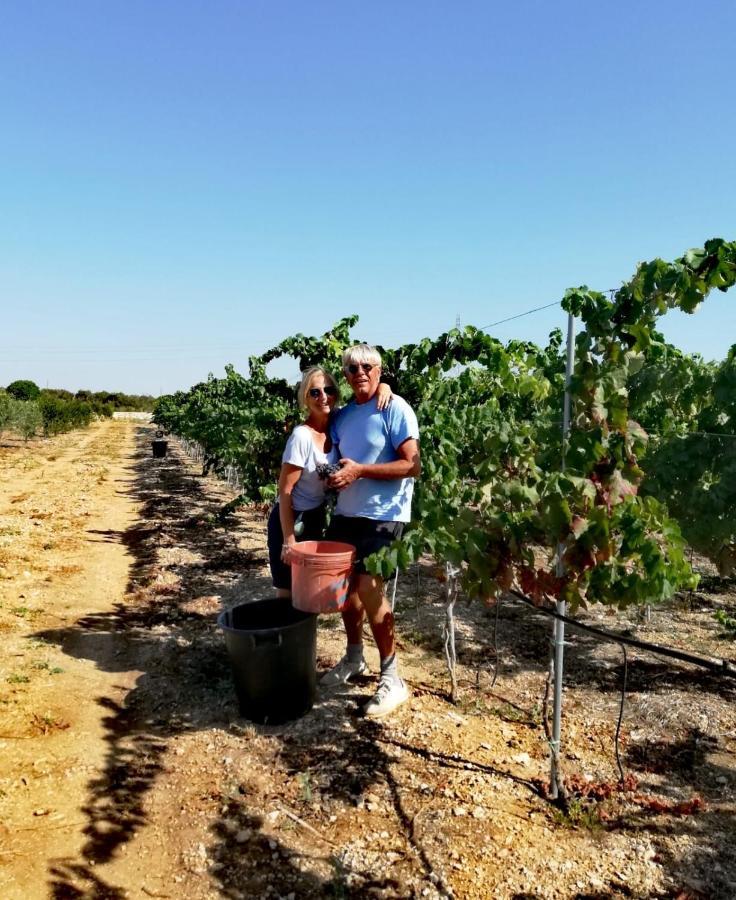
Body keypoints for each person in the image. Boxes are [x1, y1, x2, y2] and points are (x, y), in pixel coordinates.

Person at [322, 344, 420, 718]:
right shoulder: (343, 415)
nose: (359, 372)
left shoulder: (395, 408)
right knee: (345, 592)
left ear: (380, 371)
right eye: (351, 368)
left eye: (367, 366)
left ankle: (392, 677)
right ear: (345, 376)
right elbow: (336, 458)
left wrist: (361, 470)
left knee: (370, 589)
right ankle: (353, 657)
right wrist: (334, 478)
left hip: (384, 514)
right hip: (347, 512)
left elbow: (412, 465)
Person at [267, 366, 391, 598]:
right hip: (291, 519)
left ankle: (305, 635)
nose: (323, 397)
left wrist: (384, 386)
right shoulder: (301, 437)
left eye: (329, 390)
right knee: (287, 593)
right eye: (315, 393)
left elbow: (365, 400)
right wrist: (289, 540)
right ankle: (284, 634)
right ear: (305, 398)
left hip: (314, 518)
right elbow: (284, 491)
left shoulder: (338, 422)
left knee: (309, 591)